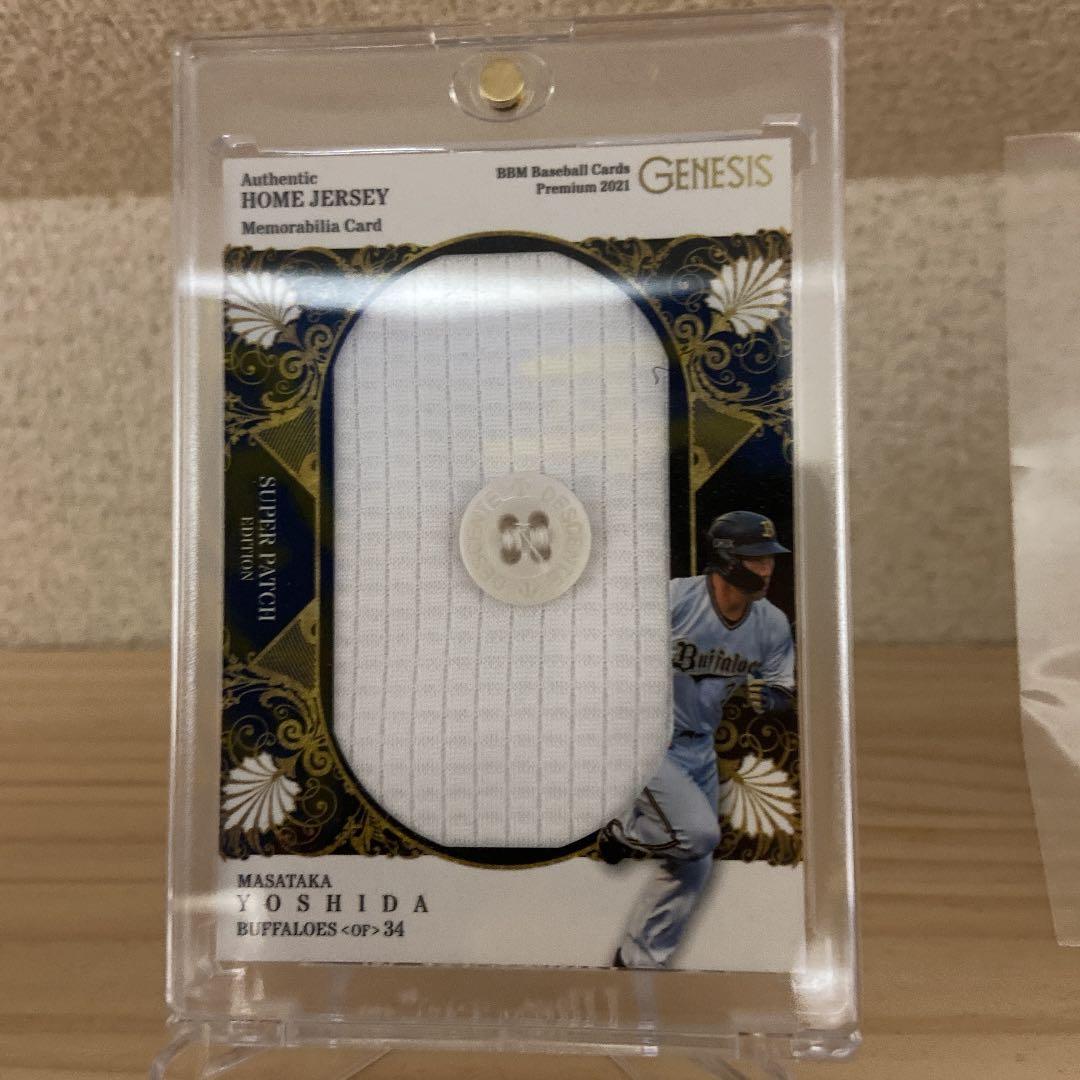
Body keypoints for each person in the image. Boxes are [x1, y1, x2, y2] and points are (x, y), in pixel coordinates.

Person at [598, 510, 796, 968]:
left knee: (693, 865)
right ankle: (623, 830)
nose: (767, 568)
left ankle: (639, 961)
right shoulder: (674, 599)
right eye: (756, 558)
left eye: (770, 559)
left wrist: (770, 698)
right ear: (726, 558)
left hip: (699, 746)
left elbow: (783, 689)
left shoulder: (770, 623)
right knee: (699, 836)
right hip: (647, 737)